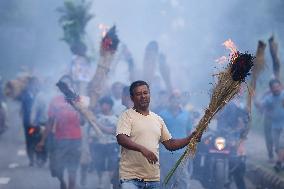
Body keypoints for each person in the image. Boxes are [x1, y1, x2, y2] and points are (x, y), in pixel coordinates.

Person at [116, 80, 198, 189]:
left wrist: (190, 138)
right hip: (134, 173)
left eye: (145, 93)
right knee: (166, 178)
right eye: (139, 94)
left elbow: (170, 142)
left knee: (181, 177)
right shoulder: (128, 116)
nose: (143, 97)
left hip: (169, 162)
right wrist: (143, 149)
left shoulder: (161, 118)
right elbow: (122, 139)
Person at [37, 75, 82, 189]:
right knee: (57, 168)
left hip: (76, 140)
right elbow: (50, 122)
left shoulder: (79, 99)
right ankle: (62, 180)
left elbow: (84, 122)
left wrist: (84, 115)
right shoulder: (55, 101)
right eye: (63, 84)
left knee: (73, 168)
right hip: (60, 139)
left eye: (68, 84)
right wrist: (42, 141)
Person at [159, 92, 193, 188]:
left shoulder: (186, 114)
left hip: (181, 150)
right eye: (173, 98)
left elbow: (188, 132)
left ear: (180, 100)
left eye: (178, 98)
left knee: (182, 177)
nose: (176, 100)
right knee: (167, 176)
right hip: (165, 151)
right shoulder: (162, 114)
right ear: (169, 100)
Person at [216, 98, 249, 189]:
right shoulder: (225, 104)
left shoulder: (241, 106)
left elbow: (245, 123)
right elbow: (220, 121)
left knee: (239, 164)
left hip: (236, 139)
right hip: (224, 136)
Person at [89, 96, 118, 189]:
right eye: (102, 104)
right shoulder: (96, 117)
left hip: (112, 144)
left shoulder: (116, 118)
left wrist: (98, 124)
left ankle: (111, 184)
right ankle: (100, 182)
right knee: (99, 165)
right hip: (99, 144)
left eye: (105, 104)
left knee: (112, 166)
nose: (103, 106)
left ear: (110, 106)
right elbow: (92, 132)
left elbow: (112, 131)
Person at [255, 79, 284, 171]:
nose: (276, 89)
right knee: (277, 146)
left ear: (280, 86)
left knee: (281, 143)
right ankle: (280, 161)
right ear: (271, 89)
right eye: (274, 87)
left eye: (277, 87)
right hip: (275, 125)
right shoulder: (269, 98)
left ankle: (279, 163)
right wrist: (256, 101)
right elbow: (261, 105)